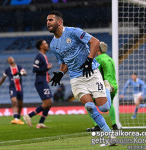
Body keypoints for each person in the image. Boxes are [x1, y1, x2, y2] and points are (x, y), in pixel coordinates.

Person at [47, 11, 116, 146]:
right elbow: (64, 62)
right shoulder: (53, 45)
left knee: (104, 108)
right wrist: (61, 73)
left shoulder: (74, 32)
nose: (48, 22)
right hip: (76, 78)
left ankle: (107, 88)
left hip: (92, 73)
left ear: (59, 22)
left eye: (51, 20)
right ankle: (110, 137)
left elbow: (95, 42)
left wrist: (89, 60)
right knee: (90, 106)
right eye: (47, 20)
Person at [86, 42, 118, 132]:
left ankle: (97, 125)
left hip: (105, 85)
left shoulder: (99, 59)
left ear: (98, 49)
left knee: (89, 103)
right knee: (110, 103)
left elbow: (96, 73)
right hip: (114, 84)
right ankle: (114, 124)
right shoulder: (110, 58)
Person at [23, 39, 53, 129]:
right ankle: (29, 116)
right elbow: (35, 70)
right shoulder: (39, 56)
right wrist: (46, 69)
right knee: (47, 102)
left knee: (49, 103)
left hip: (43, 81)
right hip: (40, 82)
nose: (47, 44)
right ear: (41, 46)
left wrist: (48, 75)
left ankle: (40, 123)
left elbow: (43, 69)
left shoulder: (44, 56)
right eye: (45, 43)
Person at [0, 57, 26, 125]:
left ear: (13, 59)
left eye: (11, 58)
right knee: (14, 101)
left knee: (20, 104)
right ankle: (15, 118)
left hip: (20, 88)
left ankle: (18, 118)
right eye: (9, 59)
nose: (11, 59)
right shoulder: (7, 70)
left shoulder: (19, 67)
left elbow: (25, 73)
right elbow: (3, 78)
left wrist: (21, 73)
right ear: (8, 62)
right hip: (12, 88)